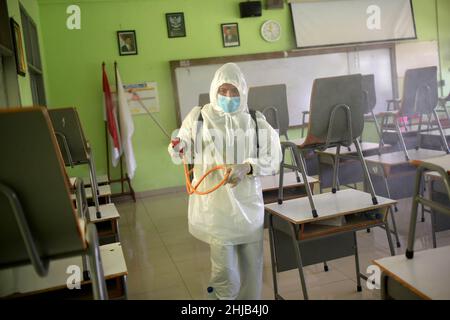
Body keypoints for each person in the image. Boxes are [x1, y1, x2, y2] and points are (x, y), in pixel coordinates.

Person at [168, 63, 282, 300]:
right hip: (216, 211)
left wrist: (248, 166)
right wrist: (178, 147)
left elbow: (273, 157)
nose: (229, 96)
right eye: (223, 90)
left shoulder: (255, 120)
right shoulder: (198, 117)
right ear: (214, 90)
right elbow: (183, 149)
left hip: (249, 210)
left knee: (252, 274)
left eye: (234, 91)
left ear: (243, 91)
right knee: (224, 275)